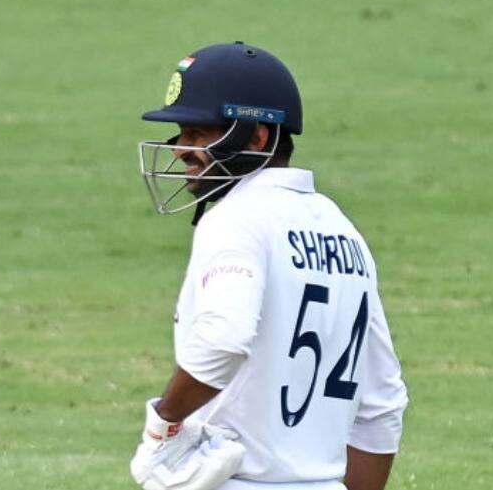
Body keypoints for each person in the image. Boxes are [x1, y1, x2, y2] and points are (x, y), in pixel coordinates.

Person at [130, 42, 408, 490]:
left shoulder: (236, 220)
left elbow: (223, 339)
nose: (182, 149)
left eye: (199, 134)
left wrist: (164, 420)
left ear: (257, 137)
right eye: (183, 133)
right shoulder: (343, 231)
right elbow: (382, 404)